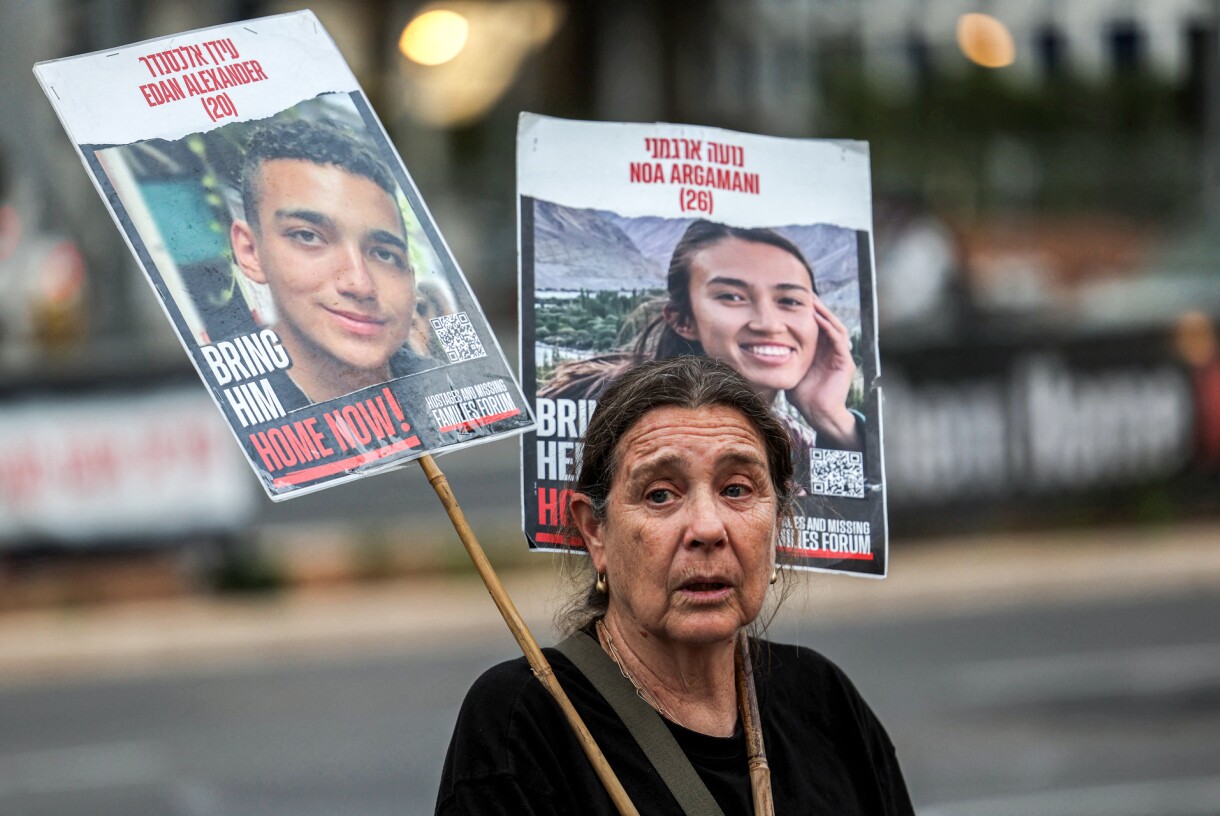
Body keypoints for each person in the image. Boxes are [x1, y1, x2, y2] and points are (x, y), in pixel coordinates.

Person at [437, 357, 912, 814]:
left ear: (779, 524)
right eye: (660, 494)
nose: (707, 527)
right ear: (594, 532)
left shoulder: (824, 702)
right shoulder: (526, 721)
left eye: (736, 489)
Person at [541, 220, 864, 454]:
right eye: (732, 296)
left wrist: (832, 420)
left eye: (790, 301)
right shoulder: (594, 403)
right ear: (683, 320)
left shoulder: (797, 444)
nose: (769, 324)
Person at [230, 119, 422, 405]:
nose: (360, 284)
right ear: (250, 251)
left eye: (383, 254)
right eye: (308, 236)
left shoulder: (446, 390)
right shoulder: (227, 412)